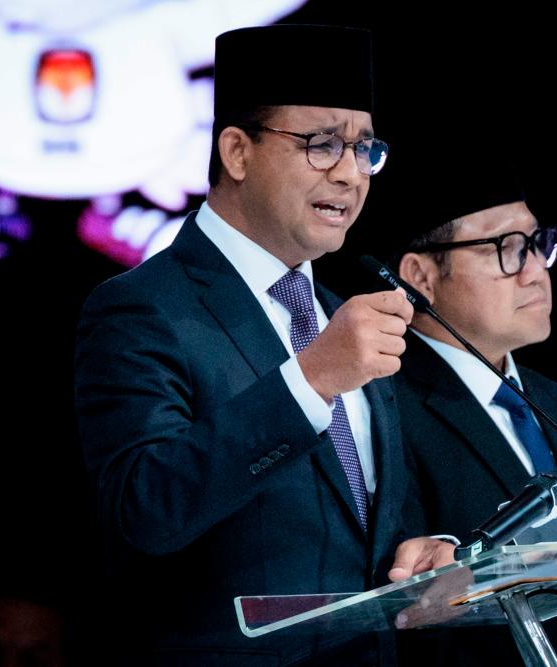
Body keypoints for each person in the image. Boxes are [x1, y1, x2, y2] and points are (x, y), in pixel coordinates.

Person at [73, 24, 454, 666]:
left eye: (365, 150)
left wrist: (421, 546)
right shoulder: (142, 307)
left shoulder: (339, 317)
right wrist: (308, 381)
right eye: (322, 144)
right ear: (237, 152)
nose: (350, 174)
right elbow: (146, 510)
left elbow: (360, 508)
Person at [388, 161, 557, 665]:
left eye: (538, 244)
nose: (536, 270)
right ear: (421, 276)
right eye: (508, 249)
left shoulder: (555, 402)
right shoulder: (385, 404)